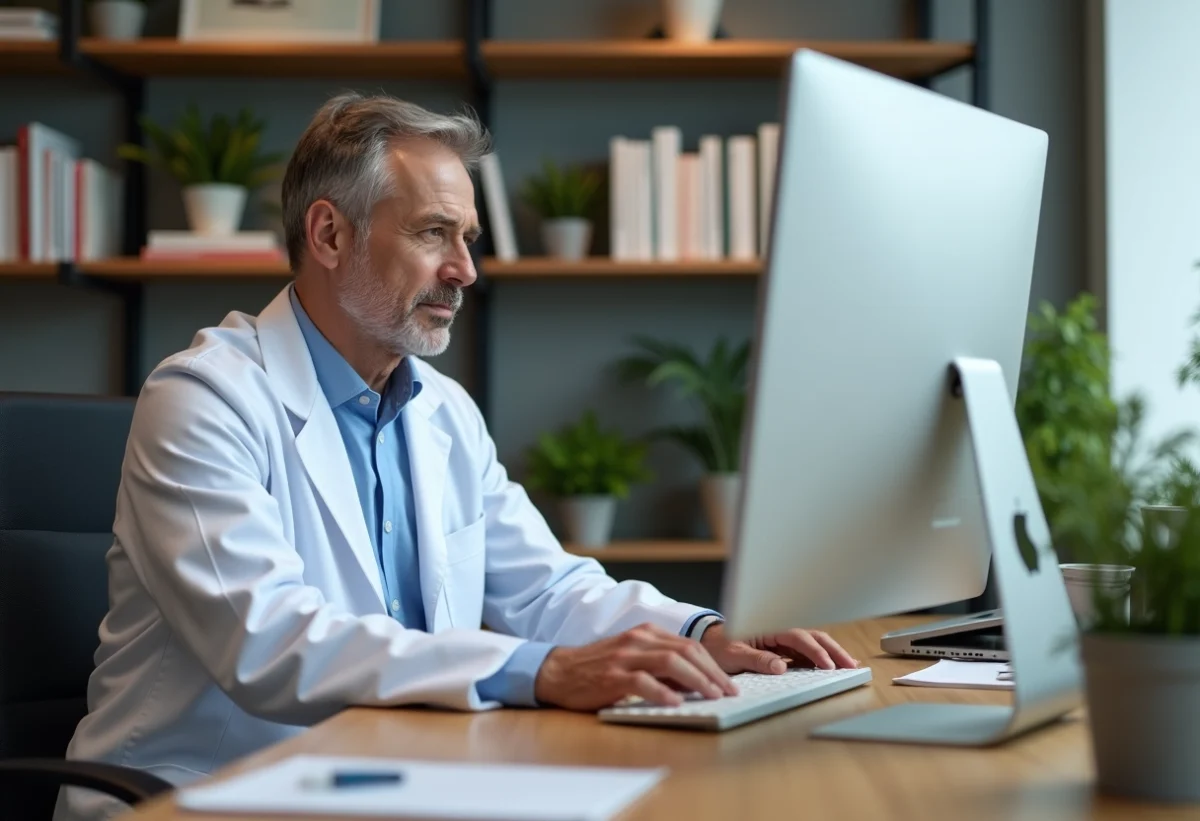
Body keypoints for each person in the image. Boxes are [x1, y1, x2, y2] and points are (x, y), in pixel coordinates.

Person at [55, 92, 856, 821]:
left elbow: (545, 587)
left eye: (466, 238)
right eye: (433, 232)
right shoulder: (204, 398)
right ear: (330, 234)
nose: (465, 270)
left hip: (387, 782)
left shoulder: (442, 409)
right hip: (198, 795)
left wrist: (701, 632)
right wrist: (541, 672)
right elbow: (267, 641)